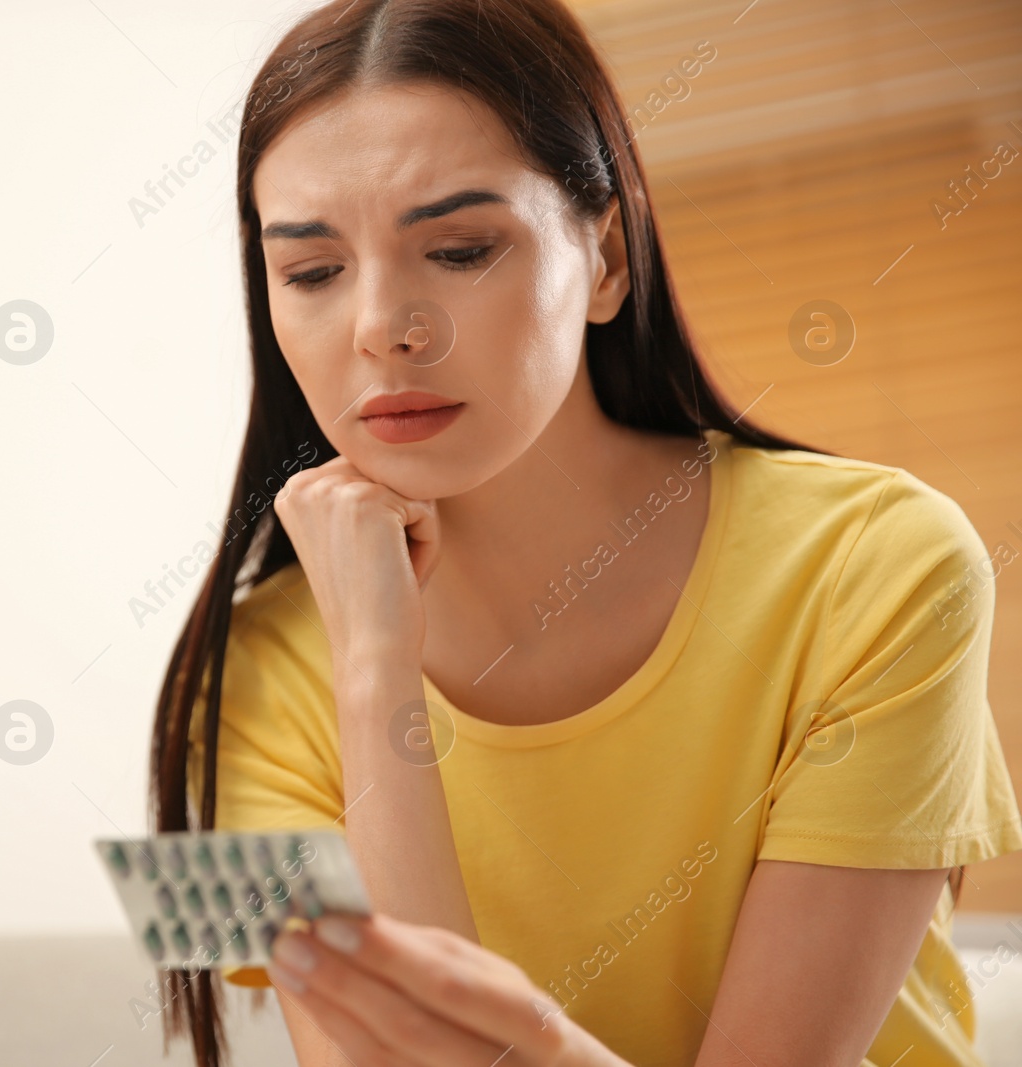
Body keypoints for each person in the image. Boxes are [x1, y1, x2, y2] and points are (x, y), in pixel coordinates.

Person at [147, 0, 1022, 1064]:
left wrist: (531, 1044)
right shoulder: (237, 678)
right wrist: (374, 668)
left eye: (460, 247)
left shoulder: (888, 560)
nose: (382, 325)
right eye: (312, 271)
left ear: (605, 259)